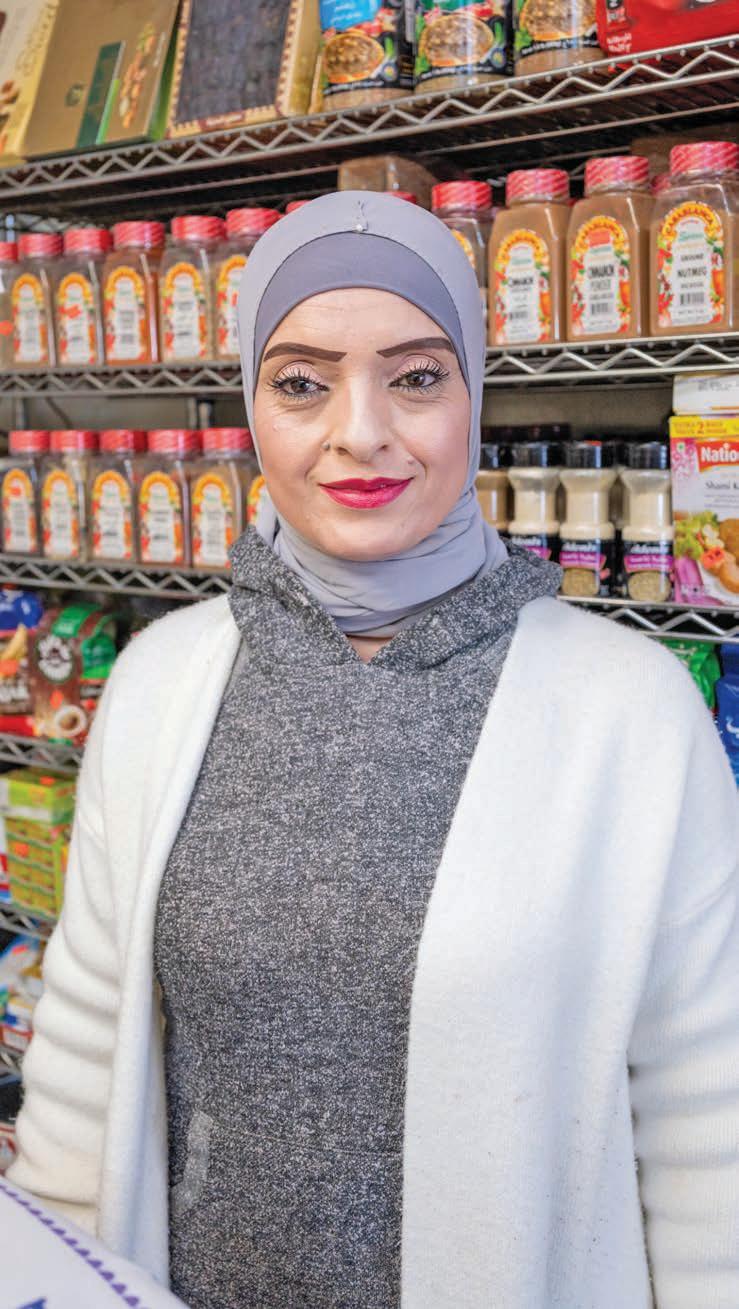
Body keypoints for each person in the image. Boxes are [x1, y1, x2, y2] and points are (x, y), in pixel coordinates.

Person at [8, 191, 739, 1309]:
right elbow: (82, 1064)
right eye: (302, 382)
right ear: (250, 403)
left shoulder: (630, 712)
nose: (360, 432)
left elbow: (707, 1124)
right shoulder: (159, 685)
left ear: (475, 393)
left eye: (416, 376)